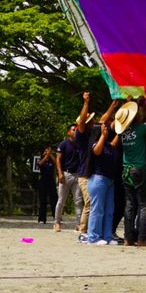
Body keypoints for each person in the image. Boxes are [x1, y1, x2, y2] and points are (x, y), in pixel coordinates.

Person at [114, 102, 146, 246]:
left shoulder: (122, 133)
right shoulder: (141, 129)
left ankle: (128, 238)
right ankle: (141, 238)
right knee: (144, 205)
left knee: (130, 204)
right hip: (139, 169)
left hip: (126, 170)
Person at [83, 102, 121, 245]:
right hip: (98, 179)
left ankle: (107, 237)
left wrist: (122, 115)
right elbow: (97, 151)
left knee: (109, 210)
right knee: (97, 209)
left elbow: (118, 134)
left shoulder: (110, 145)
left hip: (109, 180)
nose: (107, 127)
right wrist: (103, 136)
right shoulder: (95, 142)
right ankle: (93, 237)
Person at [54, 96, 92, 233]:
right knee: (61, 200)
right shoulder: (64, 144)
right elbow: (58, 159)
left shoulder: (81, 143)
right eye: (73, 129)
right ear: (68, 132)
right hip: (66, 173)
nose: (75, 131)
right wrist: (60, 173)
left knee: (78, 201)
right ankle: (57, 222)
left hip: (78, 174)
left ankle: (78, 224)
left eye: (76, 129)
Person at [34, 144, 57, 225]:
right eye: (46, 150)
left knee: (54, 199)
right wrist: (46, 156)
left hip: (51, 181)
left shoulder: (52, 159)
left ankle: (56, 217)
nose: (48, 152)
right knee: (42, 200)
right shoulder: (41, 158)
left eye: (49, 150)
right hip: (43, 181)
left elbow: (56, 163)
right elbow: (40, 164)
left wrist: (50, 155)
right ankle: (42, 218)